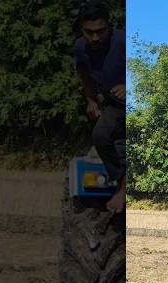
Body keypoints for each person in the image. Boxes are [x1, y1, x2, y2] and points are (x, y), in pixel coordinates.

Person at [74, 0, 126, 214]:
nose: (95, 37)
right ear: (81, 30)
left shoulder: (124, 41)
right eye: (89, 32)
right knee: (101, 136)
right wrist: (91, 100)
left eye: (100, 31)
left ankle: (123, 191)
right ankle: (120, 182)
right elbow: (85, 76)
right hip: (113, 105)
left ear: (110, 27)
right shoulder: (80, 48)